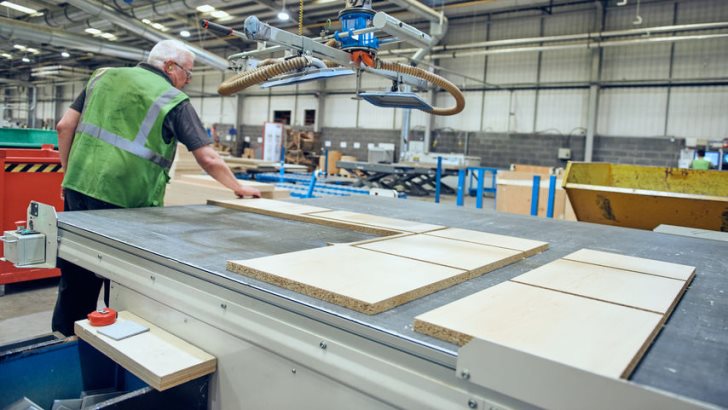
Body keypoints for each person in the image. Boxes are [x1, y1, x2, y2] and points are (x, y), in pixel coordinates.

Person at [52, 39, 261, 336]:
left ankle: (63, 338)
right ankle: (116, 344)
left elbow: (64, 126)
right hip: (126, 203)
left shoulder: (102, 76)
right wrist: (238, 187)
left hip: (77, 187)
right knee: (123, 280)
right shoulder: (172, 98)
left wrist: (67, 173)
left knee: (77, 270)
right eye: (187, 74)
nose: (187, 82)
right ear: (170, 67)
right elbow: (207, 157)